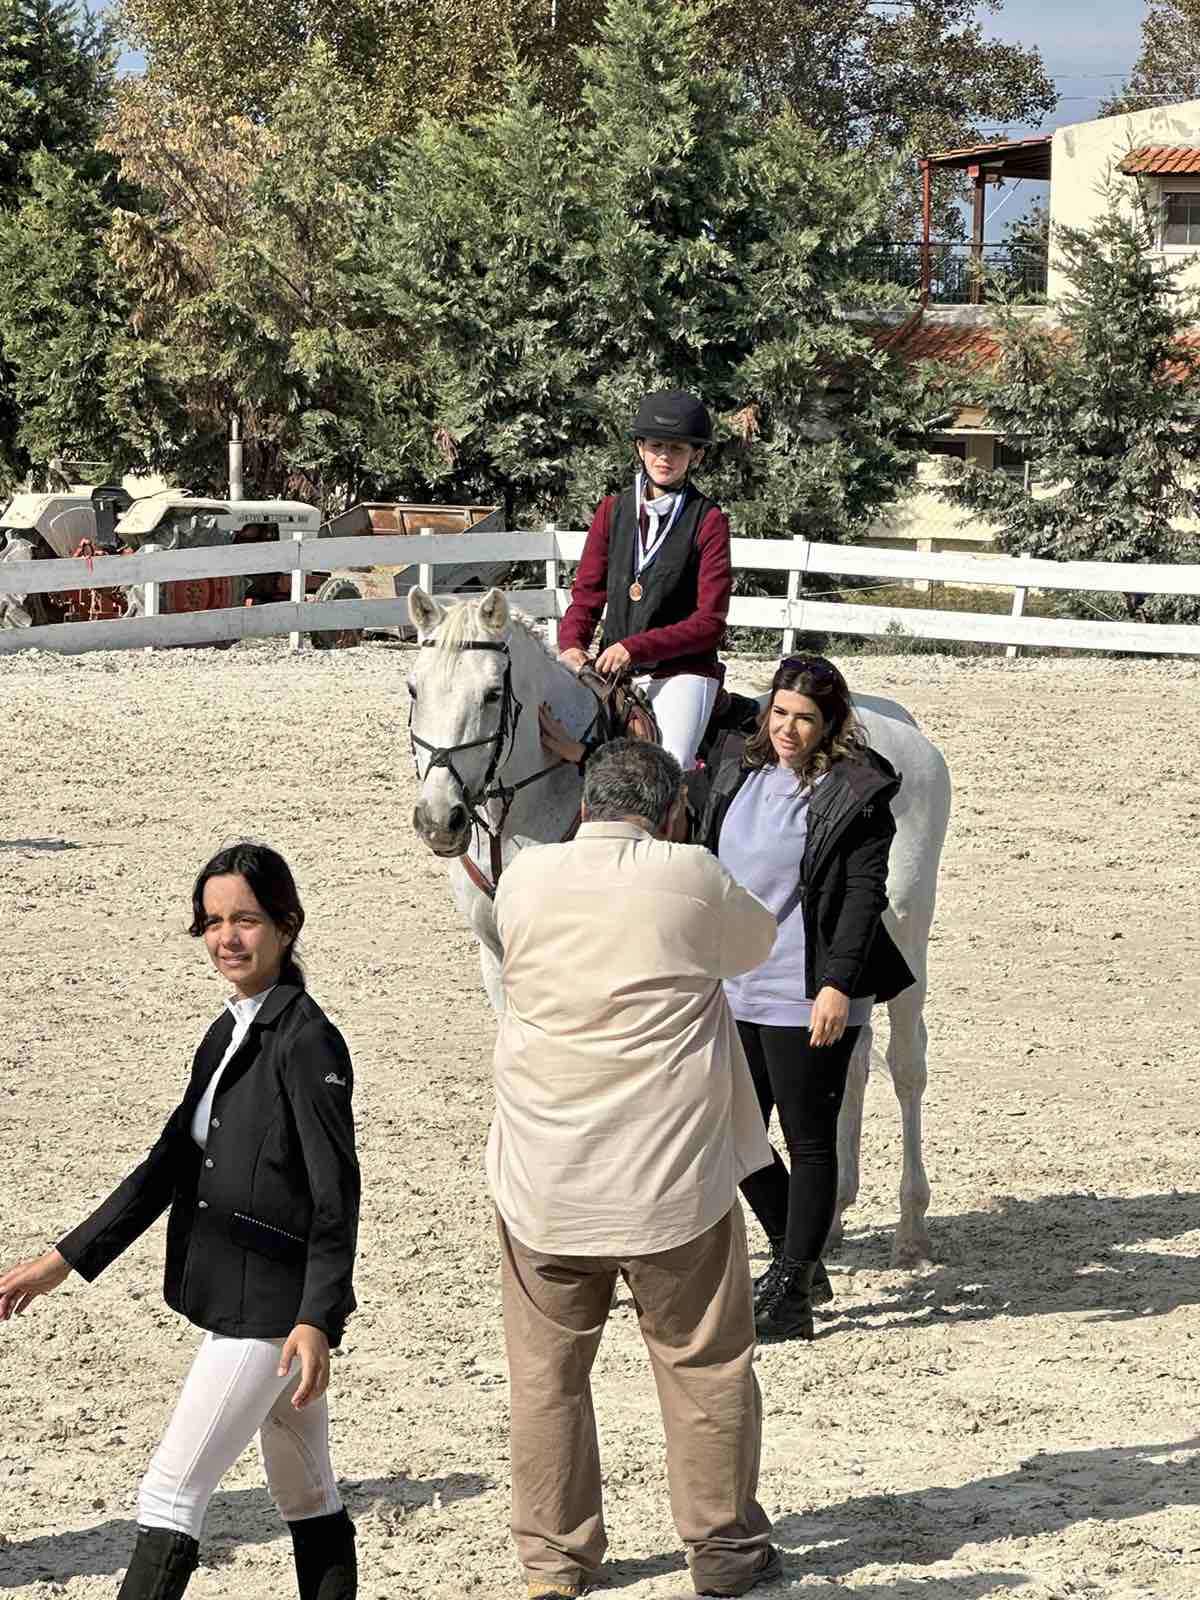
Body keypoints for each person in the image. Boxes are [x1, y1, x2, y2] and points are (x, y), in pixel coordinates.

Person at [0, 843, 360, 1600]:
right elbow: (166, 1166)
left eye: (246, 920)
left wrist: (317, 1319)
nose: (227, 938)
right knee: (307, 1494)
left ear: (287, 925)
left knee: (170, 1493)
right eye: (213, 921)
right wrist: (61, 1262)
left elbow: (337, 1193)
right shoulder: (228, 1032)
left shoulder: (307, 1041)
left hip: (269, 1314)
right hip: (246, 1299)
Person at [486, 738, 782, 1600]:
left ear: (585, 807)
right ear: (672, 813)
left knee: (547, 1380)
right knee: (704, 1365)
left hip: (546, 1175)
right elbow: (756, 944)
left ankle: (554, 1562)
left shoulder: (523, 879)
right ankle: (723, 1551)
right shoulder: (692, 873)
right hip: (670, 1180)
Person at [699, 656, 915, 1344]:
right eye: (781, 712)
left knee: (809, 1139)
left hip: (808, 993)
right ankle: (798, 1255)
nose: (788, 728)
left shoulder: (855, 791)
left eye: (806, 718)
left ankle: (792, 1293)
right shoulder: (738, 769)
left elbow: (863, 897)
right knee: (730, 1132)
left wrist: (838, 985)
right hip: (737, 987)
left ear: (830, 725)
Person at [556, 389, 732, 771]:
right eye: (656, 445)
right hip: (612, 669)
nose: (665, 457)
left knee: (670, 764)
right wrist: (571, 644)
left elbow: (710, 622)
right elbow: (586, 595)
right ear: (640, 447)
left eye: (677, 448)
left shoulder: (709, 520)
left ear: (696, 456)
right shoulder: (611, 510)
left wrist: (635, 648)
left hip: (682, 673)